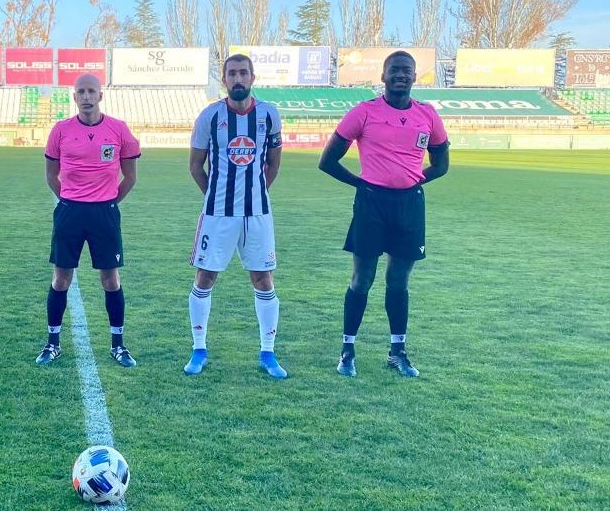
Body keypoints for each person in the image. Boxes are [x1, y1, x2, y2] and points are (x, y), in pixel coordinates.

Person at [318, 50, 450, 378]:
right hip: (371, 205)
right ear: (383, 76)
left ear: (415, 77)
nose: (401, 75)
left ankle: (398, 352)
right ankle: (347, 351)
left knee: (398, 282)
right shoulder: (364, 112)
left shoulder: (428, 115)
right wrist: (361, 184)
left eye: (407, 70)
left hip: (409, 206)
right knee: (362, 280)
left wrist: (416, 180)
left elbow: (442, 164)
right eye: (394, 70)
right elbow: (327, 161)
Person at [184, 53, 287, 378]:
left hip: (258, 214)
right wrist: (216, 196)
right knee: (205, 278)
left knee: (263, 279)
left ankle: (268, 353)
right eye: (232, 73)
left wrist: (253, 194)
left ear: (253, 77)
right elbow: (195, 166)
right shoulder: (210, 117)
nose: (238, 78)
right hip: (217, 214)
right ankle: (199, 348)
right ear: (224, 79)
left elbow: (273, 165)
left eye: (243, 73)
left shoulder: (269, 115)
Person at [37, 73, 140, 367]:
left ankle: (118, 345)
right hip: (70, 212)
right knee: (61, 278)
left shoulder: (119, 130)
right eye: (80, 92)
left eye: (91, 91)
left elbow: (130, 177)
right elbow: (50, 175)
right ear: (74, 97)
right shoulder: (60, 130)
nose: (86, 96)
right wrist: (72, 199)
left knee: (110, 279)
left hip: (104, 213)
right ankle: (52, 343)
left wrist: (107, 202)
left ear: (100, 95)